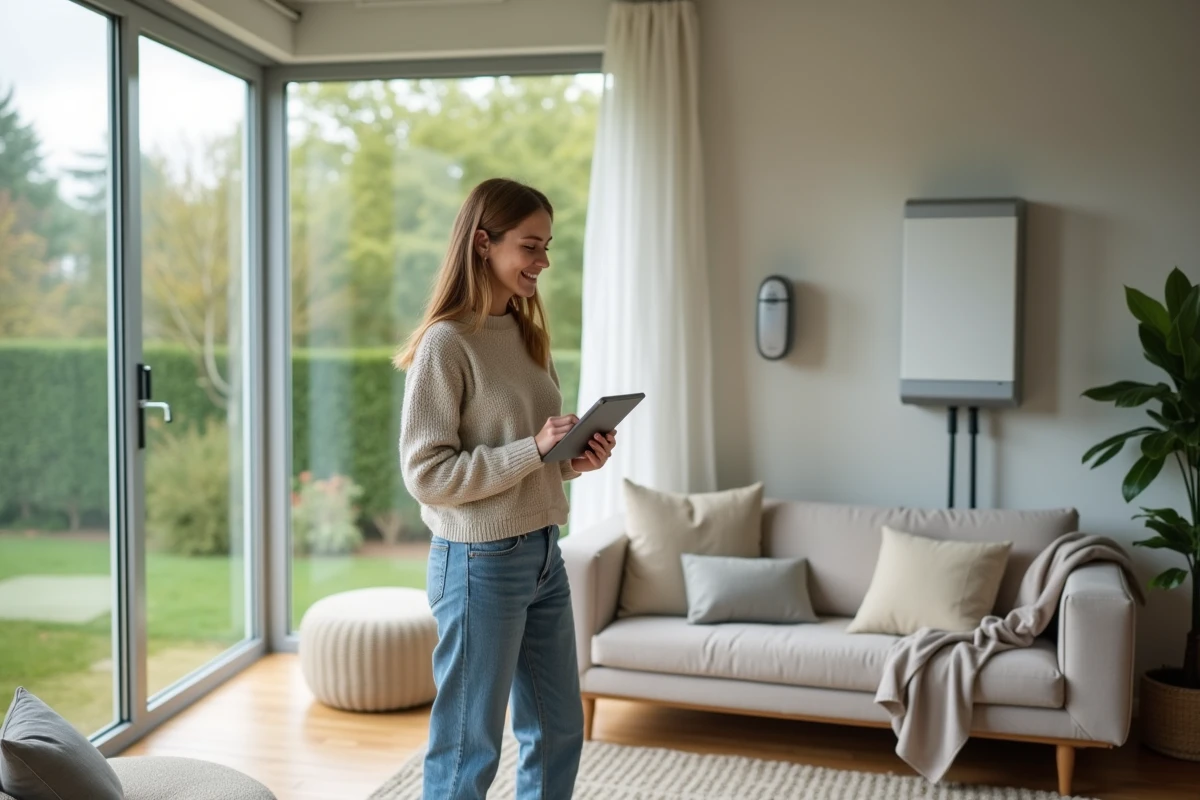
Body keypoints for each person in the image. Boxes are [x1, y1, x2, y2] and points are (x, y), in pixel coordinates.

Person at [395, 177, 617, 800]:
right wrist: (535, 449)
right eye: (531, 246)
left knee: (558, 730)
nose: (543, 261)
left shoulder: (526, 334)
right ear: (483, 243)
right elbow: (427, 475)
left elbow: (531, 458)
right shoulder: (446, 344)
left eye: (547, 247)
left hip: (544, 551)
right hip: (479, 562)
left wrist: (573, 460)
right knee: (468, 749)